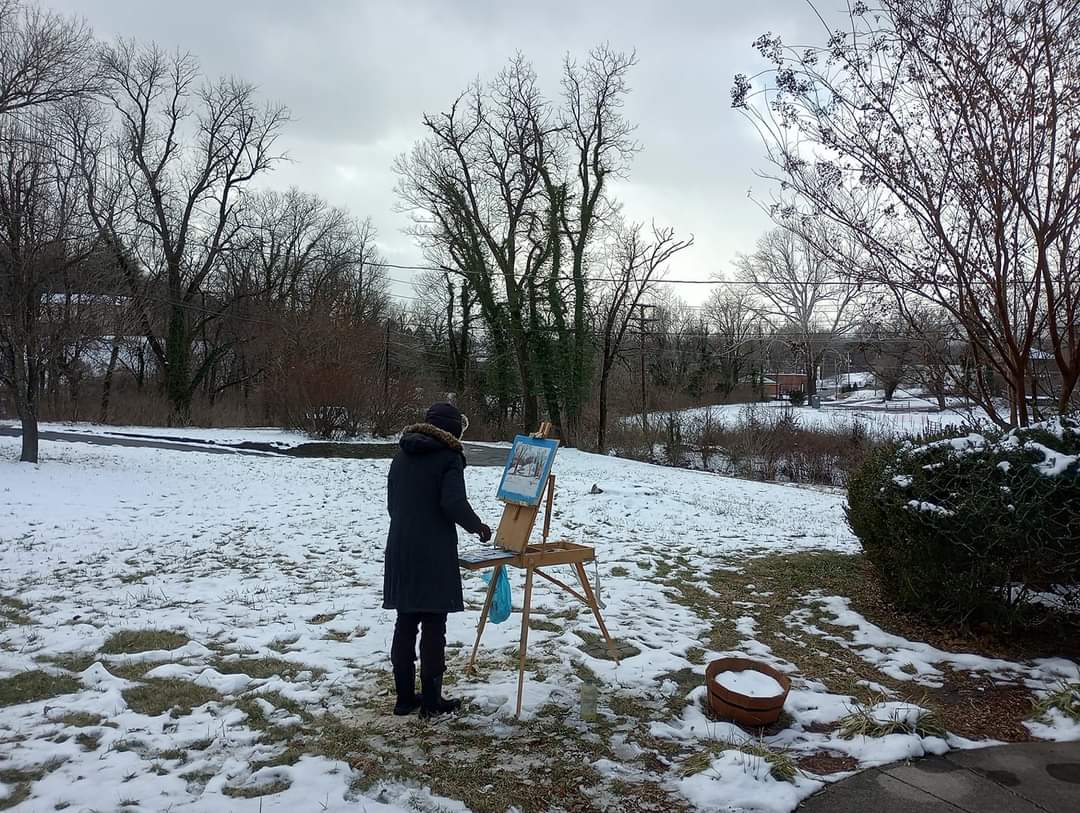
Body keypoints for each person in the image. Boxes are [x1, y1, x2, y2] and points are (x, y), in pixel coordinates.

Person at [383, 402, 492, 718]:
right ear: (455, 429)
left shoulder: (401, 454)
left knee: (405, 621)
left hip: (400, 547)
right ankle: (431, 701)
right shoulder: (450, 457)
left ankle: (404, 699)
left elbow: (393, 503)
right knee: (433, 624)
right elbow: (453, 502)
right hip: (432, 550)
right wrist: (479, 527)